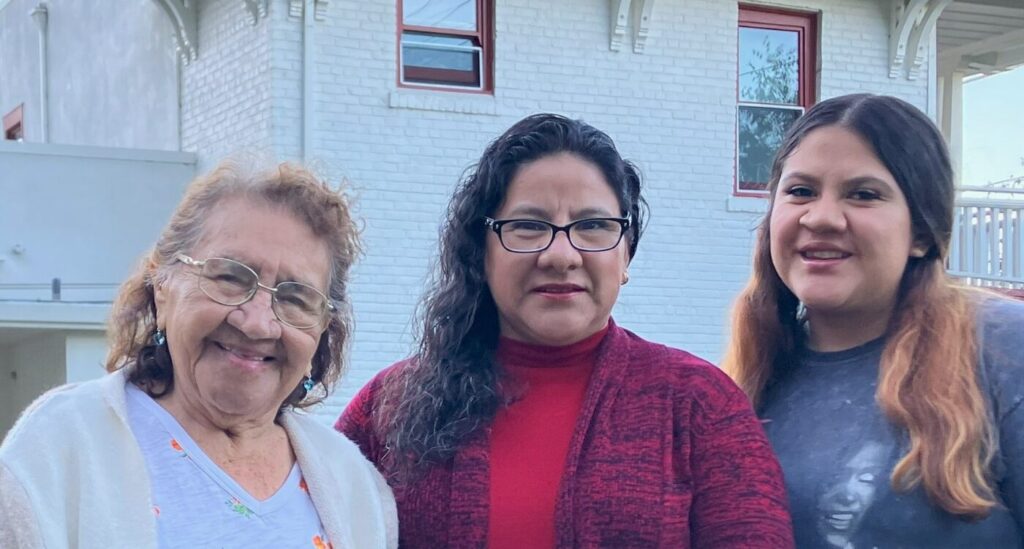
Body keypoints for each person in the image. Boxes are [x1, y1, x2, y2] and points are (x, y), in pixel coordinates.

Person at [337, 113, 793, 548]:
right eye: (529, 226)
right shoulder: (389, 407)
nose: (560, 255)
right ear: (481, 250)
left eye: (593, 226)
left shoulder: (701, 406)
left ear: (626, 256)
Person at [0, 162, 397, 548]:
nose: (257, 323)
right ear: (162, 284)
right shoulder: (58, 448)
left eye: (296, 298)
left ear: (322, 329)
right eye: (229, 277)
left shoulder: (356, 487)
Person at [723, 93, 1024, 547]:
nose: (821, 217)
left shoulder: (1003, 351)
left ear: (922, 233)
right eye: (800, 191)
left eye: (863, 194)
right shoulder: (742, 384)